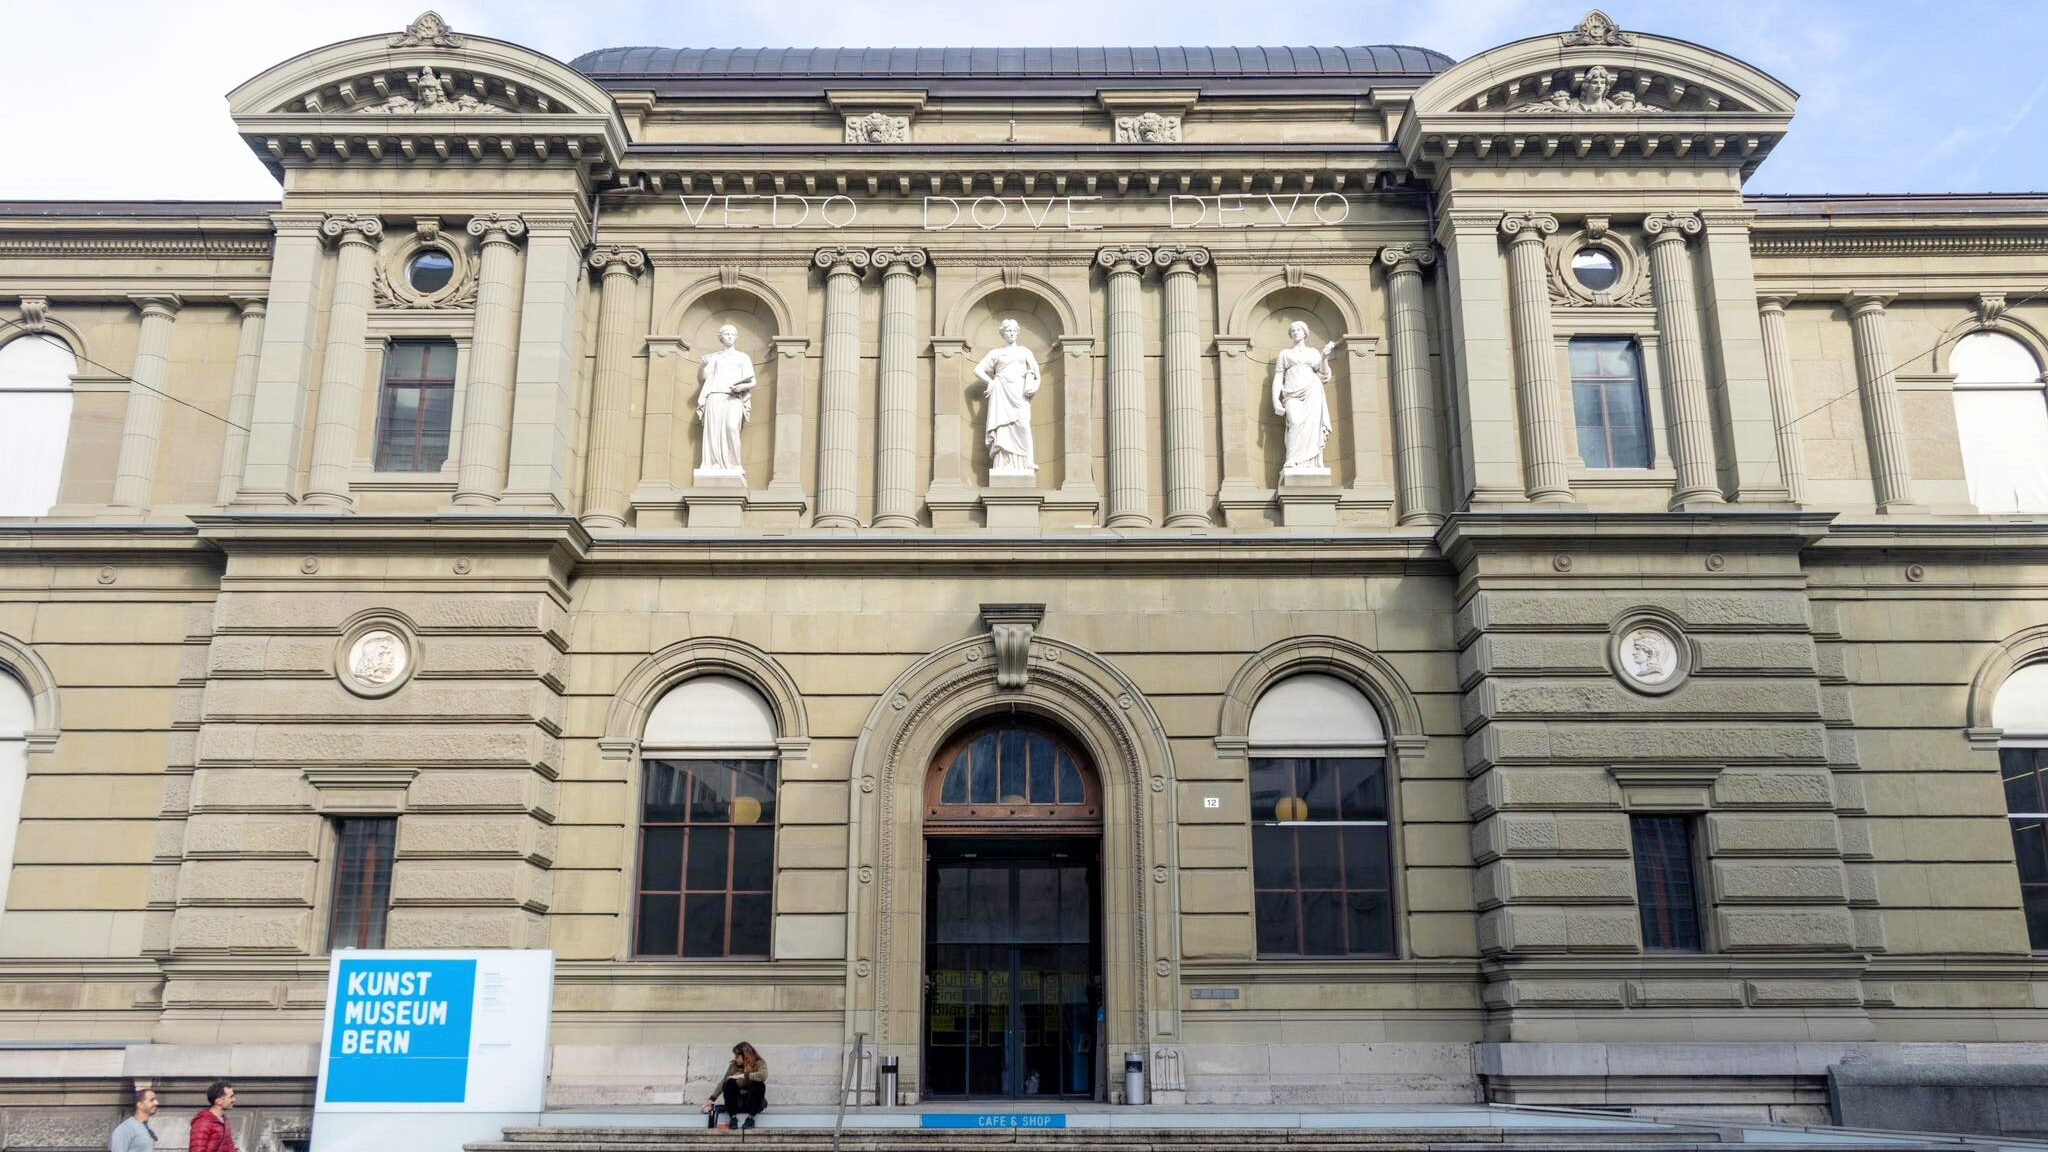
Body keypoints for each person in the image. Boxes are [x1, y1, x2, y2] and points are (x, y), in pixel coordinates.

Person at [975, 319, 1041, 474]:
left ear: (1017, 332)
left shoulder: (1025, 351)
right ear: (1002, 333)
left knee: (1023, 424)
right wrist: (990, 382)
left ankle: (1027, 462)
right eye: (1008, 330)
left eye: (1013, 330)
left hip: (1019, 393)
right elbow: (978, 370)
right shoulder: (996, 353)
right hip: (1001, 391)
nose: (1011, 333)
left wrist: (1034, 387)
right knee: (1002, 428)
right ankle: (1002, 463)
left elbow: (1036, 372)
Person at [1271, 321, 1335, 475]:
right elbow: (1278, 377)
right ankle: (1292, 459)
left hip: (1312, 391)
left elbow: (1324, 375)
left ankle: (1311, 462)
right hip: (1291, 393)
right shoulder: (1285, 354)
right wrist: (1275, 400)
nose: (1295, 332)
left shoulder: (1313, 353)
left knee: (1312, 426)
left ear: (1305, 332)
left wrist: (1325, 357)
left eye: (1298, 329)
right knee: (1294, 422)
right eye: (1292, 330)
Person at [695, 324, 757, 476]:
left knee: (731, 427)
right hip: (715, 395)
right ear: (720, 337)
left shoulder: (743, 357)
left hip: (733, 397)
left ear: (736, 337)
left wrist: (741, 387)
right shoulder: (714, 357)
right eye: (726, 334)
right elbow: (702, 379)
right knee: (713, 432)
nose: (729, 336)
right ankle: (713, 464)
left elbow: (753, 381)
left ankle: (734, 464)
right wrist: (702, 367)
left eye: (732, 334)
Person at [700, 1042, 768, 1131]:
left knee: (759, 1084)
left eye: (737, 1056)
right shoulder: (733, 1066)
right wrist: (711, 1099)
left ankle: (750, 1119)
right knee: (729, 1082)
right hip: (737, 1103)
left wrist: (742, 1075)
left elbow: (763, 1075)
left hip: (752, 1103)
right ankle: (733, 1118)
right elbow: (723, 1082)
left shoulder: (759, 1063)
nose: (735, 1059)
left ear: (745, 1055)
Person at [188, 1082, 236, 1152]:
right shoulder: (203, 1122)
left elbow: (230, 1148)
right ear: (218, 1101)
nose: (234, 1100)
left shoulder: (224, 1121)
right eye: (231, 1097)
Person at [109, 1086, 157, 1152]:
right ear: (140, 1105)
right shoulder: (126, 1128)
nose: (156, 1103)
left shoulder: (146, 1127)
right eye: (151, 1100)